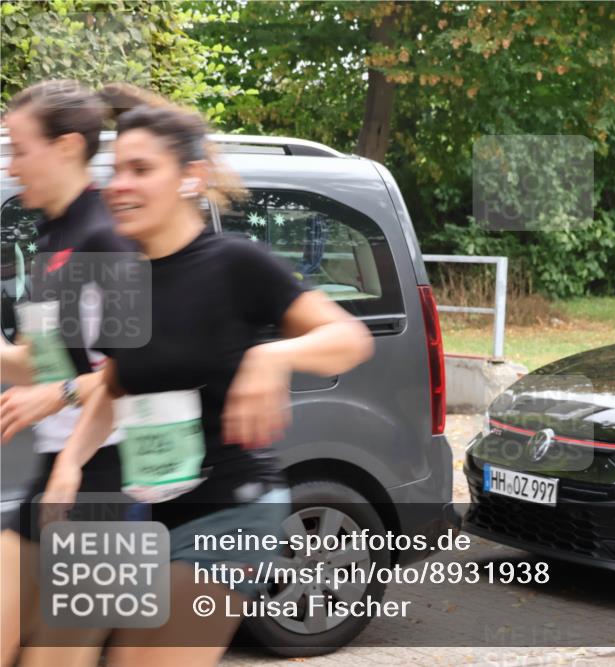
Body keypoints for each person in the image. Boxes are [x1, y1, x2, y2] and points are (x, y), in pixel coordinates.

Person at [39, 97, 373, 666]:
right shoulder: (124, 279)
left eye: (141, 170)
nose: (120, 185)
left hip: (235, 508)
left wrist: (270, 358)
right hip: (155, 509)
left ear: (190, 177)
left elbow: (348, 339)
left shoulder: (235, 264)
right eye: (117, 169)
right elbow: (117, 385)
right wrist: (70, 464)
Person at [0, 80, 137, 667]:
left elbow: (137, 373)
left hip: (108, 477)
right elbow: (38, 358)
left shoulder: (110, 239)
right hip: (55, 473)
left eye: (19, 148)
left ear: (66, 147)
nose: (11, 164)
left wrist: (54, 398)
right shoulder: (52, 234)